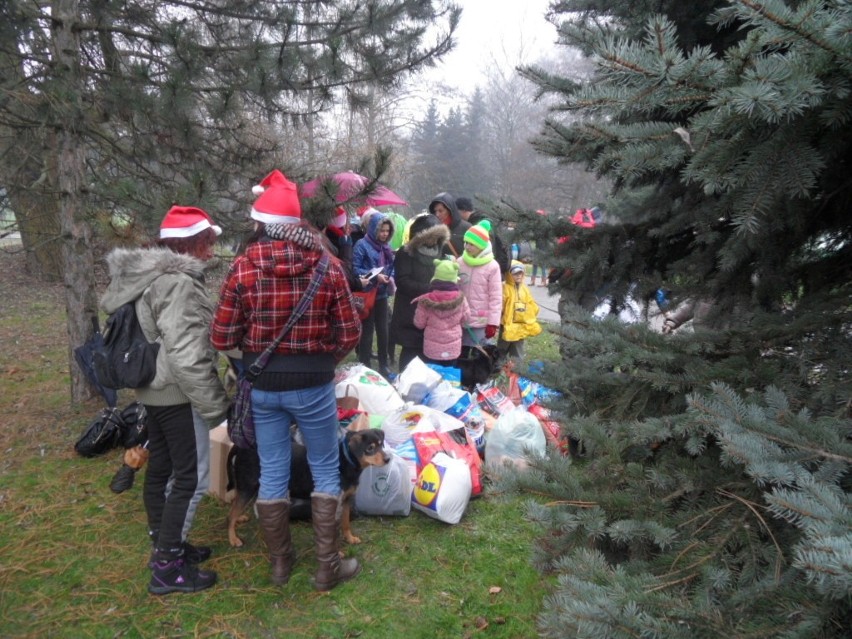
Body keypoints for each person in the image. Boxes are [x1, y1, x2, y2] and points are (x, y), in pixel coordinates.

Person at [210, 169, 362, 592]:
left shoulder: (243, 267)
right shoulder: (326, 266)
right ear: (298, 224)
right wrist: (321, 359)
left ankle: (281, 564)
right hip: (313, 385)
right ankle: (326, 567)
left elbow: (220, 336)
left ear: (261, 222)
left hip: (262, 385)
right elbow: (351, 332)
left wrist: (255, 354)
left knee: (273, 470)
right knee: (325, 468)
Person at [100, 205, 230, 595]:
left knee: (162, 471)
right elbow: (187, 353)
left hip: (151, 390)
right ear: (192, 243)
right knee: (191, 478)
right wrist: (214, 409)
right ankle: (167, 568)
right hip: (177, 393)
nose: (211, 250)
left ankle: (166, 543)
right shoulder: (177, 283)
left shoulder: (146, 275)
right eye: (208, 241)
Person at [389, 213, 451, 371]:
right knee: (410, 350)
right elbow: (402, 281)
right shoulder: (405, 253)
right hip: (409, 309)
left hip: (431, 311)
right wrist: (430, 289)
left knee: (428, 351)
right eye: (431, 237)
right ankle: (405, 382)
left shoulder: (440, 252)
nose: (433, 242)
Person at [352, 208, 396, 378]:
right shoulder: (361, 245)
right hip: (367, 294)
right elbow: (355, 270)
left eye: (387, 231)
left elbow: (392, 268)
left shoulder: (386, 247)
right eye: (381, 230)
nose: (384, 234)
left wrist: (390, 277)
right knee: (367, 331)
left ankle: (384, 363)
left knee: (383, 330)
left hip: (382, 294)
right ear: (373, 229)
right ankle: (365, 364)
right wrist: (375, 276)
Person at [413, 258, 471, 366]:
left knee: (432, 376)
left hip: (432, 348)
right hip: (453, 347)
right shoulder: (461, 299)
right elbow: (466, 319)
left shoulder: (425, 300)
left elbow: (419, 324)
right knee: (450, 378)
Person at [457, 220, 502, 347]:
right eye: (466, 242)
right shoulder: (460, 262)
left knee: (476, 355)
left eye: (472, 244)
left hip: (480, 321)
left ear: (482, 246)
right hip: (459, 318)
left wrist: (493, 323)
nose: (467, 247)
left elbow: (496, 297)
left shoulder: (492, 266)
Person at [499, 261, 542, 360]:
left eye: (520, 273)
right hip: (506, 325)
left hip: (520, 325)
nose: (518, 276)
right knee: (502, 348)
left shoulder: (524, 289)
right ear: (509, 274)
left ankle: (517, 370)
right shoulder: (505, 288)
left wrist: (534, 311)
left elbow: (531, 303)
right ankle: (498, 367)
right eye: (515, 273)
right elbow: (500, 304)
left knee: (518, 349)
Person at [456, 196, 510, 275]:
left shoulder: (481, 224)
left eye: (456, 211)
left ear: (463, 210)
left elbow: (489, 248)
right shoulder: (478, 220)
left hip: (488, 271)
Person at [429, 192, 470, 257]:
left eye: (440, 211)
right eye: (435, 211)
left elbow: (475, 252)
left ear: (450, 210)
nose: (437, 214)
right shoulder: (432, 230)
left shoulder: (467, 228)